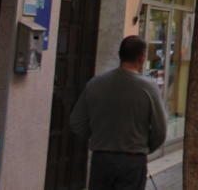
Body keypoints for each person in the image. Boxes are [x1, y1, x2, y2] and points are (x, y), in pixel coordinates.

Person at [70, 36, 167, 190]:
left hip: (101, 158)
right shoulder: (149, 88)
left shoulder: (95, 83)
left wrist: (97, 137)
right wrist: (145, 147)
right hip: (133, 160)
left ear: (120, 55)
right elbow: (160, 130)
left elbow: (77, 121)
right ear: (142, 58)